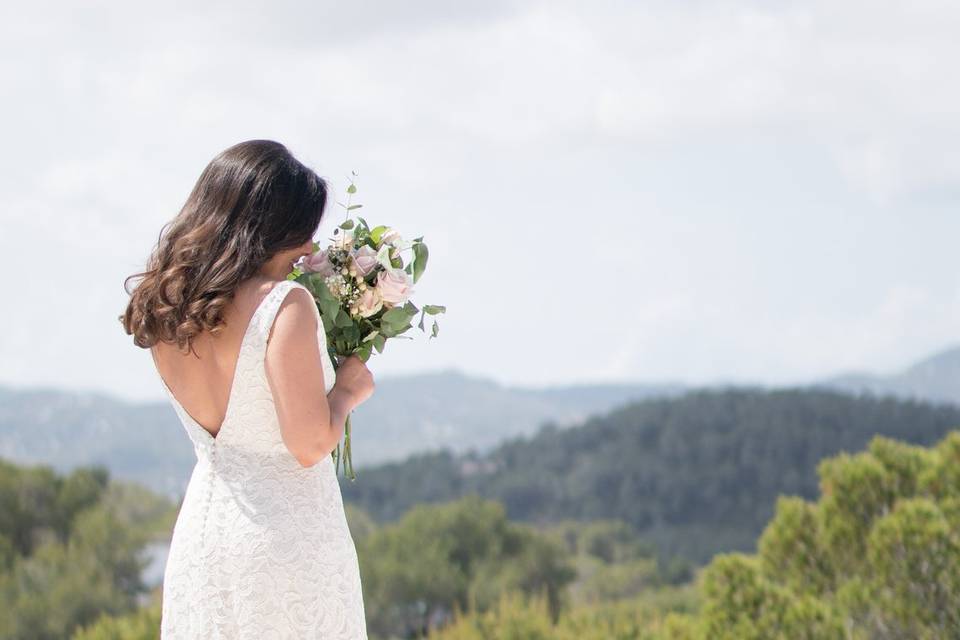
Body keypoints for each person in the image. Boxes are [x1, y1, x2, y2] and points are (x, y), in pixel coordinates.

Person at [118, 139, 373, 638]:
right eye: (305, 232)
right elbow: (309, 444)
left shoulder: (171, 308)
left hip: (205, 537)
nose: (310, 249)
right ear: (276, 227)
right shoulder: (286, 305)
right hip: (284, 542)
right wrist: (347, 390)